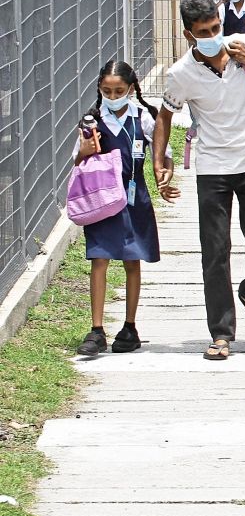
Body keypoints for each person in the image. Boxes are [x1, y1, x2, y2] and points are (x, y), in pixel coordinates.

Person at [153, 0, 245, 361]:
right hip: (212, 167)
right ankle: (221, 333)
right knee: (215, 252)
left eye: (216, 28)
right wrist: (161, 159)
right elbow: (165, 115)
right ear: (189, 35)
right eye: (204, 32)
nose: (213, 36)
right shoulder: (181, 73)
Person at [75, 61, 179, 356]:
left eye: (119, 90)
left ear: (131, 89)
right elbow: (79, 163)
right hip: (102, 202)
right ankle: (96, 330)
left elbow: (163, 154)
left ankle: (129, 326)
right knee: (99, 258)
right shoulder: (91, 121)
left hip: (134, 199)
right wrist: (82, 154)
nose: (112, 95)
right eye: (106, 90)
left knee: (133, 261)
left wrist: (165, 173)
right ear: (99, 89)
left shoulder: (144, 117)